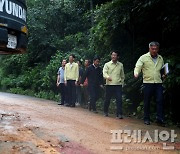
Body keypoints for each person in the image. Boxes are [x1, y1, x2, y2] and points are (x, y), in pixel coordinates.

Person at [134, 41, 165, 126]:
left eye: (156, 49)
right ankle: (146, 118)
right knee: (147, 101)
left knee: (160, 100)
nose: (154, 50)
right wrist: (136, 73)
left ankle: (159, 119)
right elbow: (138, 66)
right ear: (149, 49)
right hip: (148, 82)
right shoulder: (143, 57)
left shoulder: (160, 58)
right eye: (152, 49)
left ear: (158, 49)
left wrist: (164, 74)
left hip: (158, 82)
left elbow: (163, 69)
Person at [103, 51, 125, 119]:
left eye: (115, 55)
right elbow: (104, 72)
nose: (113, 56)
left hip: (118, 85)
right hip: (109, 85)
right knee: (107, 99)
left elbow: (122, 75)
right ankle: (105, 111)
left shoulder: (120, 65)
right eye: (112, 55)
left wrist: (122, 83)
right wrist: (107, 77)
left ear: (118, 57)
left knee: (119, 99)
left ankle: (119, 114)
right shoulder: (107, 64)